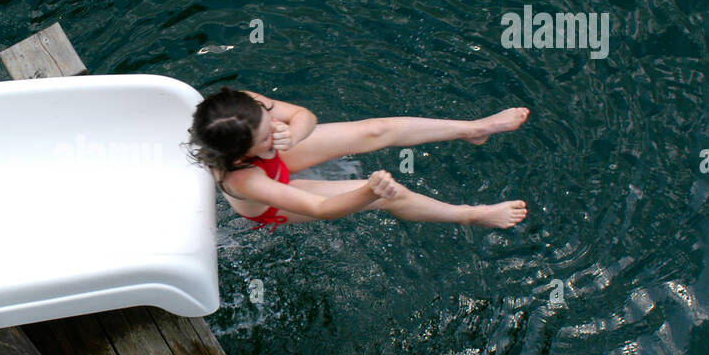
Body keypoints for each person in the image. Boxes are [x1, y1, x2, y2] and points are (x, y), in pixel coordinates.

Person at [186, 87, 529, 232]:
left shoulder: (246, 108)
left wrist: (296, 133)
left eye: (271, 119)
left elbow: (304, 115)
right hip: (269, 202)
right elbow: (318, 208)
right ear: (245, 151)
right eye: (267, 135)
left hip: (264, 158)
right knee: (389, 196)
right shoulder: (243, 179)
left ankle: (473, 129)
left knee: (375, 131)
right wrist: (370, 190)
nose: (277, 127)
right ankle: (471, 215)